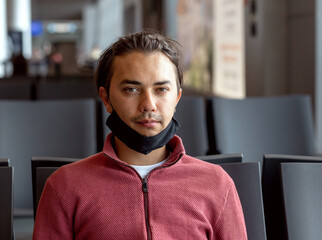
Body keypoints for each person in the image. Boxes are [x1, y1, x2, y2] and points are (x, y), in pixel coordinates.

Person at [32, 30, 247, 240]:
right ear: (106, 98)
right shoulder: (65, 187)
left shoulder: (217, 184)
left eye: (161, 89)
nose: (148, 105)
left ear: (177, 98)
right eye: (131, 90)